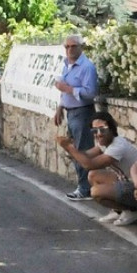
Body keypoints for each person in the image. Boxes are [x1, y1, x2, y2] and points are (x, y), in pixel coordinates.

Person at [56, 111, 137, 226]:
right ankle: (118, 211)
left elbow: (89, 164)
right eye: (94, 130)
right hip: (125, 181)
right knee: (93, 175)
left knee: (96, 192)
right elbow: (86, 155)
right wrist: (70, 150)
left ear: (111, 129)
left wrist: (69, 147)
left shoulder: (118, 145)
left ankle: (132, 211)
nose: (98, 134)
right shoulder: (104, 143)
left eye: (102, 129)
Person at [53, 34, 99, 201]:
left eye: (73, 46)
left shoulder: (87, 67)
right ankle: (83, 186)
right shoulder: (67, 65)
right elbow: (65, 89)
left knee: (82, 150)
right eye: (67, 47)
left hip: (83, 112)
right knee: (74, 150)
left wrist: (69, 89)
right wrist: (59, 107)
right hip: (70, 112)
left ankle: (85, 188)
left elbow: (90, 93)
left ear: (81, 47)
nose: (69, 50)